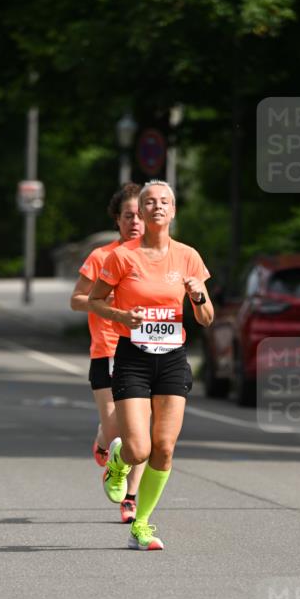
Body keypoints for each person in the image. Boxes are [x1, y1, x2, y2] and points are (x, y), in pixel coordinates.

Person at [88, 180, 214, 550]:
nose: (157, 207)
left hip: (173, 359)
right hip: (133, 358)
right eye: (150, 203)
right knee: (139, 449)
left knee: (164, 447)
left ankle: (141, 524)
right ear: (140, 213)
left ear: (173, 211)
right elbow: (94, 302)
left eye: (165, 202)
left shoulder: (188, 256)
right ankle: (118, 458)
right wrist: (123, 316)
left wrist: (198, 296)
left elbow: (206, 318)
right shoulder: (122, 257)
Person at [70, 183, 145, 523]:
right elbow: (77, 299)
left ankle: (130, 497)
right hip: (109, 349)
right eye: (129, 215)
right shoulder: (102, 256)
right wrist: (109, 305)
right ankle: (103, 442)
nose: (136, 222)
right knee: (117, 429)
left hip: (150, 350)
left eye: (141, 215)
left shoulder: (159, 258)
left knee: (141, 429)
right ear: (117, 220)